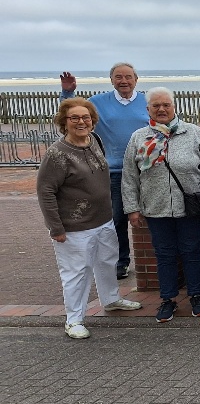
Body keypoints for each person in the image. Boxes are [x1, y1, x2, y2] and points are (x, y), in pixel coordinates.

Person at [37, 98, 141, 339]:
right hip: (74, 227)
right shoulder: (57, 154)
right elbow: (46, 191)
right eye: (74, 118)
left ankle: (111, 299)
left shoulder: (94, 140)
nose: (81, 122)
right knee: (77, 272)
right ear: (64, 122)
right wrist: (55, 227)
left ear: (93, 121)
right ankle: (74, 320)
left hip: (103, 220)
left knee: (107, 261)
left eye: (86, 117)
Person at [121, 88, 200, 322]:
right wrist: (132, 208)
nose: (161, 109)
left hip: (190, 206)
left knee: (192, 252)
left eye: (166, 105)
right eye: (156, 106)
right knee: (164, 255)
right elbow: (129, 176)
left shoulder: (192, 132)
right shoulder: (139, 137)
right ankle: (168, 299)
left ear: (174, 107)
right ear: (148, 109)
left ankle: (196, 295)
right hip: (156, 207)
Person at [59, 64, 148, 279]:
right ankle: (121, 262)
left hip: (146, 170)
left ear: (136, 79)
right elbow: (72, 113)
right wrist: (68, 93)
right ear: (112, 80)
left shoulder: (147, 101)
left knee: (149, 218)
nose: (124, 81)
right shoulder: (97, 102)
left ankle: (153, 265)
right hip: (114, 172)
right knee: (117, 220)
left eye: (128, 77)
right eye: (118, 77)